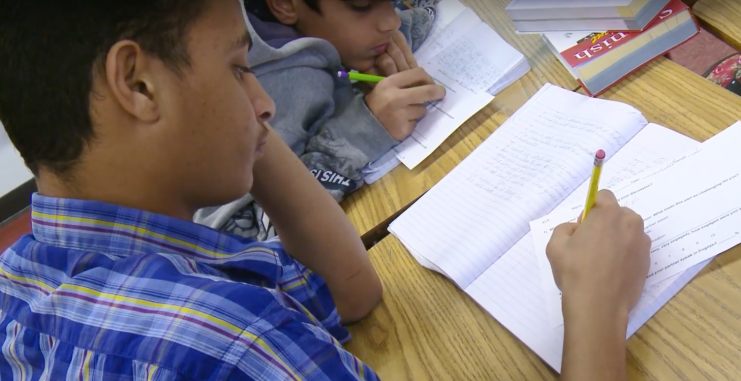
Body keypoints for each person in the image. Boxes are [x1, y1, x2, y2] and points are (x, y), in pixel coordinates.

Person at [0, 1, 650, 380]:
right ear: (137, 86)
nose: (262, 102)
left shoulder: (21, 276)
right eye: (238, 68)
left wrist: (239, 125)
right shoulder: (228, 337)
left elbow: (350, 292)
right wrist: (595, 307)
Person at [194, 0, 446, 240]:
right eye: (361, 5)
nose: (390, 21)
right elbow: (245, 242)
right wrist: (361, 131)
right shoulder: (278, 90)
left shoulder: (324, 29)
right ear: (284, 5)